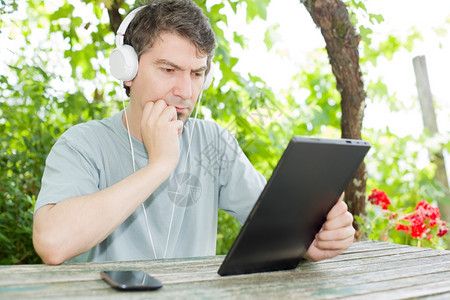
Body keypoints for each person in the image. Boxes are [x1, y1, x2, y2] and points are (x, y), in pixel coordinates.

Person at [32, 0, 355, 265]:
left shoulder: (212, 141)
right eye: (168, 70)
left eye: (197, 73)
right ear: (127, 71)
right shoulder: (82, 145)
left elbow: (279, 229)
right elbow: (52, 243)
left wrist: (313, 240)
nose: (185, 91)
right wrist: (159, 166)